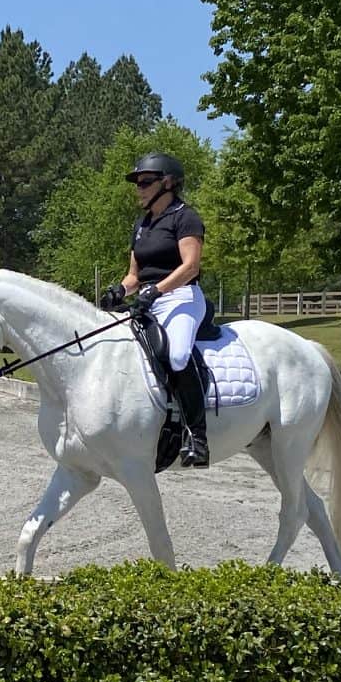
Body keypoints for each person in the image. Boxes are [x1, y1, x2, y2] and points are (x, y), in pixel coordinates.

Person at [99, 152, 209, 468]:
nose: (139, 188)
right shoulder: (143, 223)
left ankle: (197, 436)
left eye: (145, 182)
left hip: (182, 297)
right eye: (137, 183)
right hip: (150, 298)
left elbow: (190, 267)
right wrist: (120, 289)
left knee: (176, 355)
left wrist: (157, 289)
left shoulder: (185, 217)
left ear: (168, 183)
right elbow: (135, 274)